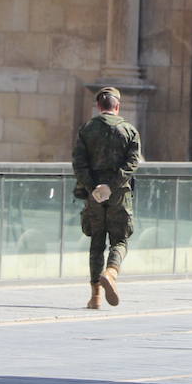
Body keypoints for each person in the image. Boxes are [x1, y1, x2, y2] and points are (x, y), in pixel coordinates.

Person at [72, 87, 142, 309]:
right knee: (119, 241)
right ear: (117, 106)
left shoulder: (87, 129)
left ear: (99, 106)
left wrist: (94, 187)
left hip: (94, 197)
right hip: (119, 195)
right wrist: (112, 186)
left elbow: (79, 164)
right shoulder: (129, 131)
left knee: (96, 242)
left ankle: (95, 298)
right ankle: (111, 272)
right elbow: (132, 164)